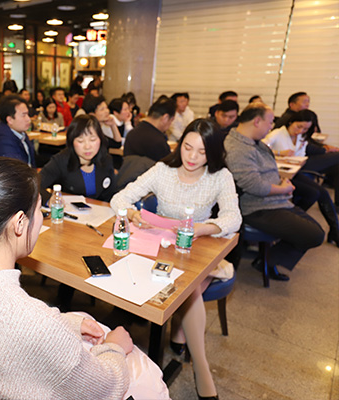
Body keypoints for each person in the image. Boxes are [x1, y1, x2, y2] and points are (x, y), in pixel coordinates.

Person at [0, 157, 169, 399]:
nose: (42, 219)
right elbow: (104, 390)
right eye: (40, 211)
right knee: (149, 377)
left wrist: (68, 324)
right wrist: (114, 348)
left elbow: (18, 329)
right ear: (19, 223)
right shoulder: (33, 323)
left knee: (83, 318)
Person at [111, 118, 242, 400]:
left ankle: (200, 368)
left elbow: (234, 218)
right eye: (187, 147)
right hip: (161, 247)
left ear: (212, 152)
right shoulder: (163, 171)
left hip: (198, 249)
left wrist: (200, 229)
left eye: (202, 152)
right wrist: (132, 214)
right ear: (179, 144)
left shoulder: (220, 177)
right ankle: (180, 341)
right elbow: (120, 199)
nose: (192, 157)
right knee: (185, 286)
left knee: (189, 285)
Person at [224, 103, 324, 277]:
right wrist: (282, 189)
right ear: (257, 121)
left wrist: (282, 183)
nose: (271, 127)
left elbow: (265, 173)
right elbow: (254, 186)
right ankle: (267, 261)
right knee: (314, 235)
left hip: (274, 202)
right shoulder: (238, 148)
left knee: (315, 229)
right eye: (270, 122)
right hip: (258, 208)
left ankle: (266, 260)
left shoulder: (253, 143)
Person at [263, 110, 339, 245]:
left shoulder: (300, 137)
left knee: (321, 192)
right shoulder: (278, 133)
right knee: (315, 193)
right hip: (281, 173)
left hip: (296, 170)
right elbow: (262, 147)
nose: (300, 131)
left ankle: (334, 230)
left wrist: (297, 158)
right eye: (299, 127)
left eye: (305, 129)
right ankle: (333, 231)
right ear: (291, 122)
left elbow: (301, 155)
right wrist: (280, 153)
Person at [40, 114, 117, 202]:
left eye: (92, 140)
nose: (87, 146)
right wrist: (49, 200)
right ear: (72, 142)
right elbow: (35, 185)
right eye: (80, 141)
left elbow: (111, 194)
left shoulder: (106, 160)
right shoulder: (61, 160)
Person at [0, 94, 35, 167]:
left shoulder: (19, 132)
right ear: (10, 120)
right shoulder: (3, 142)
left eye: (28, 114)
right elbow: (16, 170)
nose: (28, 119)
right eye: (23, 115)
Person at [124, 97, 175, 161]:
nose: (170, 124)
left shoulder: (131, 134)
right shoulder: (158, 142)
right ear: (165, 118)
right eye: (171, 120)